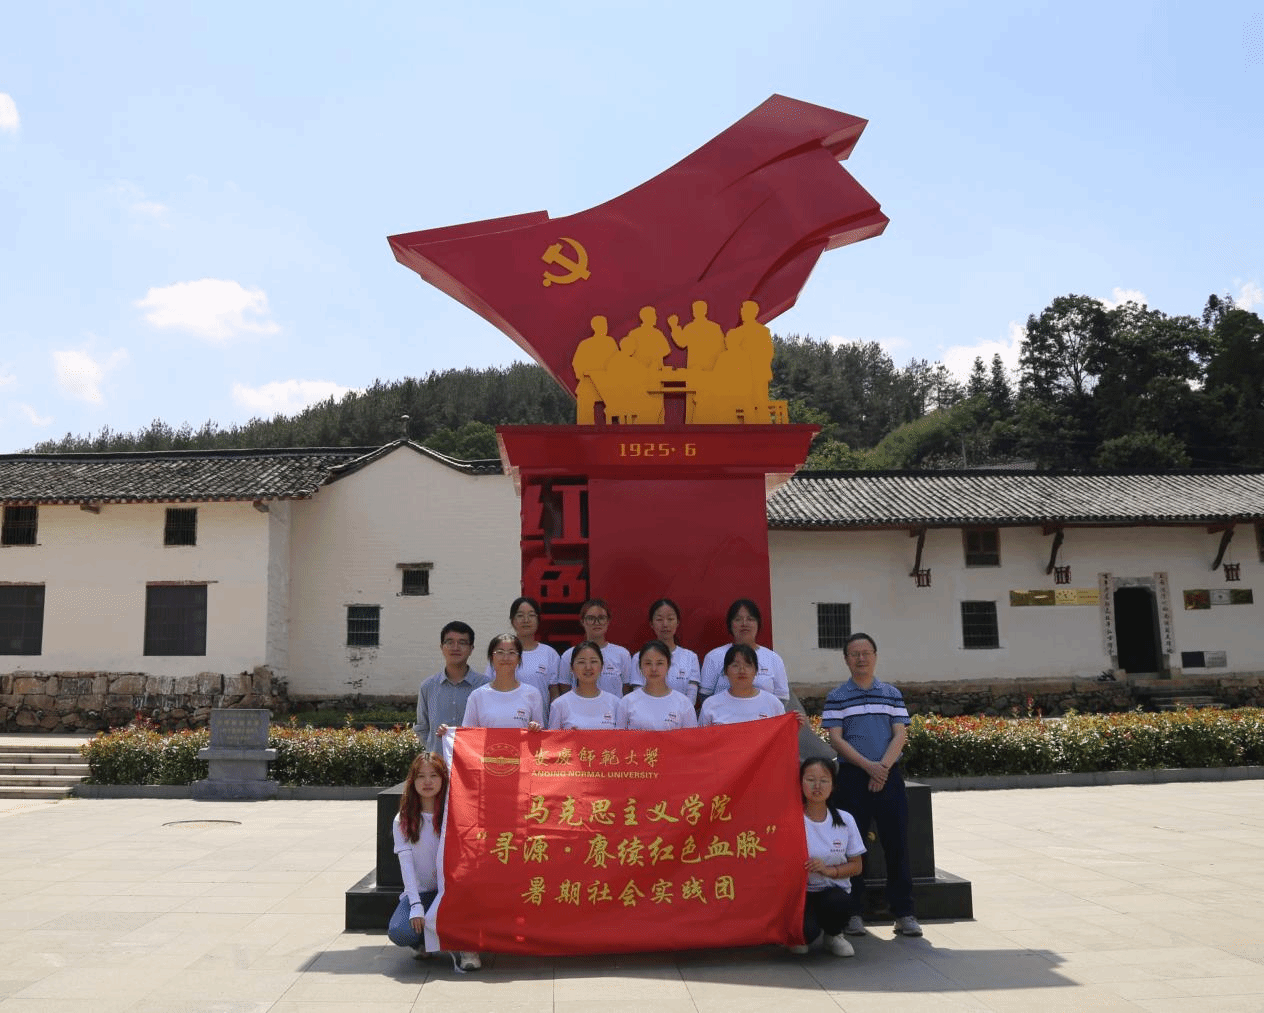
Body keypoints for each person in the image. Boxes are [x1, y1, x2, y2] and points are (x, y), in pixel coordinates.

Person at [821, 632, 922, 938]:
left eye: (866, 653)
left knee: (897, 844)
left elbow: (900, 734)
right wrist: (869, 767)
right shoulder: (837, 696)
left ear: (875, 656)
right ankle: (853, 913)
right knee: (852, 848)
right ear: (846, 660)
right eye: (855, 654)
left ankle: (904, 913)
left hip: (889, 777)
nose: (861, 658)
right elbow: (835, 738)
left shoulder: (891, 693)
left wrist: (883, 769)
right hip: (853, 778)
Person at [387, 752, 481, 972]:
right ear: (412, 781)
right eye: (421, 776)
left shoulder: (455, 815)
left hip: (453, 892)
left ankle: (467, 947)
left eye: (434, 775)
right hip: (423, 894)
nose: (427, 782)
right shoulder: (403, 819)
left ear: (443, 779)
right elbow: (406, 866)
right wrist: (415, 905)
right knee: (400, 932)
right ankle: (422, 942)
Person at [790, 757, 864, 958]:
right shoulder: (791, 818)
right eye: (810, 779)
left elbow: (857, 866)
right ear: (800, 783)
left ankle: (834, 935)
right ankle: (798, 934)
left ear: (833, 785)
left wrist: (828, 870)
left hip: (831, 891)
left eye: (824, 780)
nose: (817, 786)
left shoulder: (845, 820)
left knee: (838, 902)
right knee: (805, 935)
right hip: (799, 893)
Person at [414, 621, 487, 754]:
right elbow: (422, 728)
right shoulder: (428, 687)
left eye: (462, 643)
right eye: (450, 642)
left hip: (473, 762)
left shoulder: (485, 686)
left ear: (471, 649)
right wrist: (435, 752)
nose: (455, 647)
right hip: (438, 763)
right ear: (442, 647)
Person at [446, 634, 544, 732]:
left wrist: (535, 728)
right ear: (491, 658)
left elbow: (540, 735)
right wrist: (447, 733)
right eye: (500, 652)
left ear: (519, 659)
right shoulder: (477, 696)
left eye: (512, 652)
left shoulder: (532, 694)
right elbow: (468, 735)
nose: (506, 658)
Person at [484, 597, 558, 726]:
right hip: (502, 724)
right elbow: (487, 689)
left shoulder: (549, 654)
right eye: (520, 615)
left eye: (531, 615)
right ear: (512, 621)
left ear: (538, 620)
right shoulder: (501, 654)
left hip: (538, 726)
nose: (526, 620)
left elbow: (554, 695)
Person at [699, 599, 790, 703]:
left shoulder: (773, 658)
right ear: (730, 624)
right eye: (738, 619)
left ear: (758, 623)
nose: (744, 624)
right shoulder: (714, 656)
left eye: (750, 619)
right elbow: (705, 696)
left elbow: (782, 698)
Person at [553, 598, 634, 698]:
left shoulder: (622, 654)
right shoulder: (569, 655)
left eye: (601, 618)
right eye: (591, 618)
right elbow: (565, 690)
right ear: (582, 621)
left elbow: (626, 691)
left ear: (608, 621)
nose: (596, 622)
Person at [629, 598, 700, 704]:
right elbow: (637, 696)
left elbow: (691, 699)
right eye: (659, 619)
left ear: (677, 622)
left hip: (681, 713)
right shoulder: (639, 657)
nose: (665, 624)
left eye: (670, 619)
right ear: (651, 624)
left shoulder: (690, 657)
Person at [698, 643, 789, 726]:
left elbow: (782, 734)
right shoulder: (711, 705)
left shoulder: (773, 704)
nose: (742, 670)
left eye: (748, 665)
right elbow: (702, 737)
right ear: (725, 671)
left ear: (756, 671)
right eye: (735, 665)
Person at [616, 639, 698, 730]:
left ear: (668, 665)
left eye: (659, 663)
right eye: (648, 663)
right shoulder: (627, 702)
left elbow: (691, 737)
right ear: (640, 666)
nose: (654, 669)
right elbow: (620, 737)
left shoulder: (684, 703)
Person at [547, 641, 621, 729]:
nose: (588, 667)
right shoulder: (559, 705)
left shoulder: (615, 703)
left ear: (602, 667)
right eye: (581, 662)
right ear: (572, 668)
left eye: (593, 661)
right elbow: (553, 737)